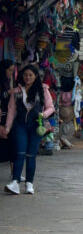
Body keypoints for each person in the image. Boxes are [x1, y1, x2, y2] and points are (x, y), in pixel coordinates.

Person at [1, 65, 55, 195]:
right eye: (25, 75)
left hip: (37, 126)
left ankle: (29, 183)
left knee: (31, 155)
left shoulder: (42, 89)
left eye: (30, 75)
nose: (28, 77)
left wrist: (44, 115)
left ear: (35, 76)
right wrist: (7, 127)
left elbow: (50, 107)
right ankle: (15, 182)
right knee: (20, 153)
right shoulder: (17, 91)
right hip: (20, 125)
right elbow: (11, 110)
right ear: (22, 76)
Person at [0, 60, 17, 176]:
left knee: (12, 144)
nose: (11, 72)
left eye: (12, 70)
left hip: (8, 116)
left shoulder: (7, 81)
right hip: (2, 116)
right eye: (10, 70)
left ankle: (14, 172)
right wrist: (11, 91)